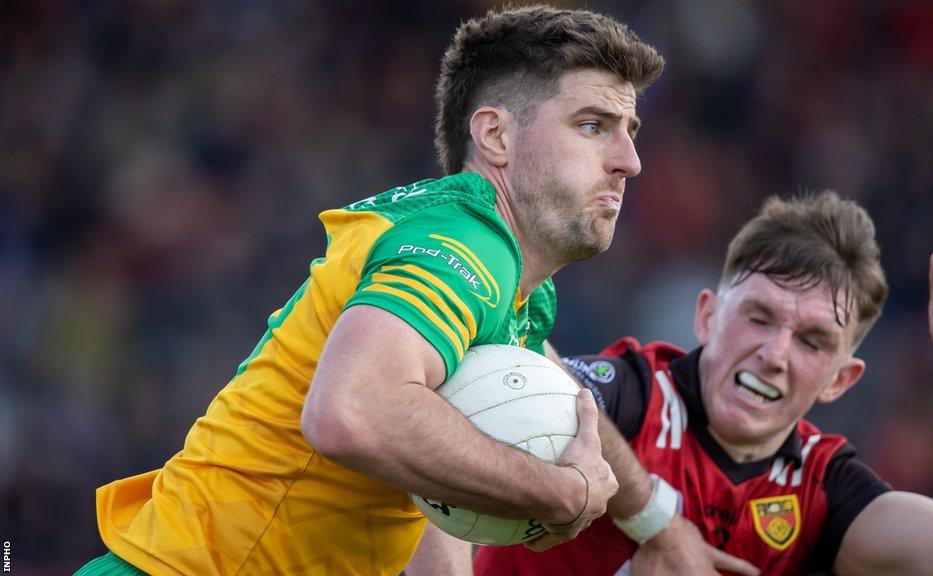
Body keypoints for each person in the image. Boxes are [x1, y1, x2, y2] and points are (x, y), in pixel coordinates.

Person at [75, 5, 665, 575]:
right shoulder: (465, 246)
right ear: (495, 137)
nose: (630, 161)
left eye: (630, 131)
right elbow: (350, 411)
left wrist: (655, 523)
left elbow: (427, 476)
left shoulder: (513, 291)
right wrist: (556, 491)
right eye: (593, 126)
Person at [468, 192, 933, 575]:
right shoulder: (637, 392)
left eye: (811, 341)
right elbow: (533, 372)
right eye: (759, 317)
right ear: (706, 316)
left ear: (840, 380)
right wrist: (656, 521)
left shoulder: (821, 487)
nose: (775, 354)